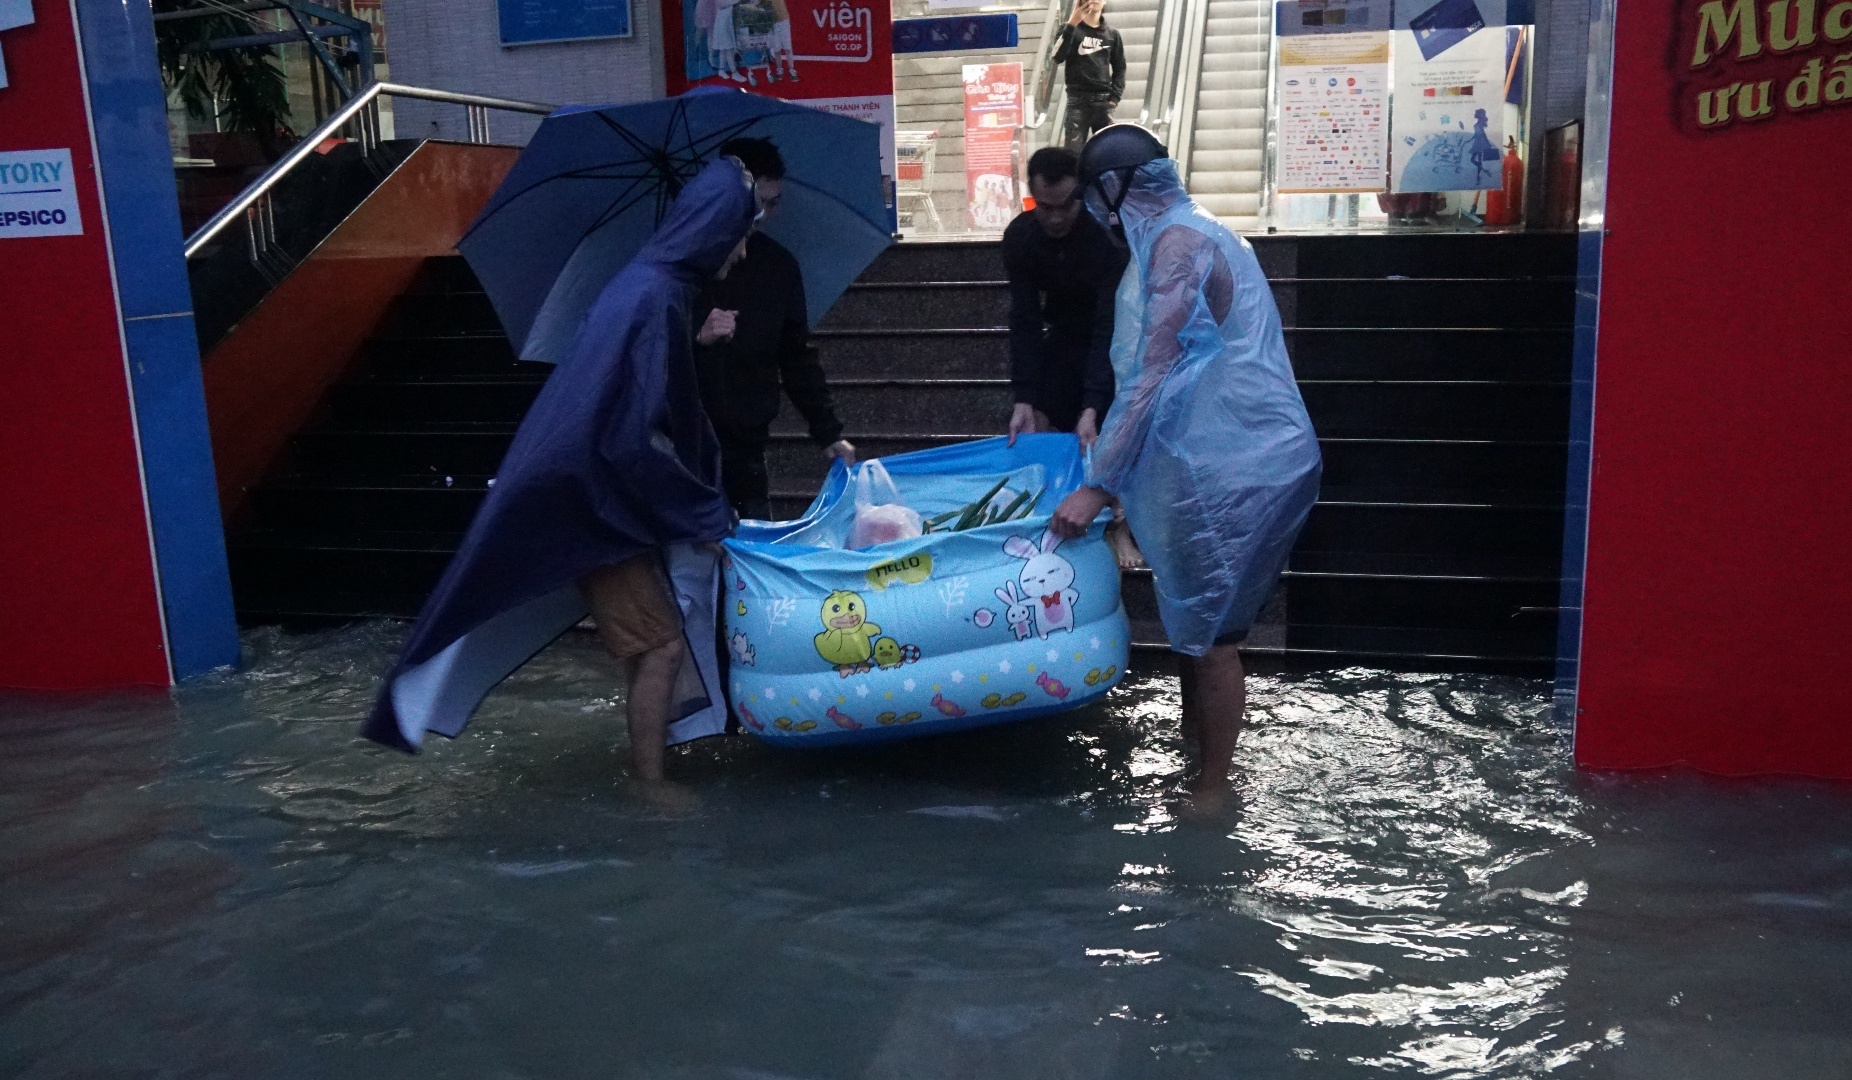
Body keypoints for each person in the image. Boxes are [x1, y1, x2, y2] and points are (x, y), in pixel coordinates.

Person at [364, 158, 760, 788]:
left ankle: (654, 763)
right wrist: (698, 511)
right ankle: (651, 790)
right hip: (588, 498)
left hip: (589, 491)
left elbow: (632, 402)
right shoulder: (655, 298)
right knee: (659, 644)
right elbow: (631, 435)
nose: (742, 253)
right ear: (714, 230)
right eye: (741, 234)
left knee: (654, 638)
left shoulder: (650, 289)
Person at [1050, 126, 1321, 797]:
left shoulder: (1179, 244)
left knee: (1215, 633)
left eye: (1093, 197)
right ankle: (1195, 757)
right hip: (1222, 457)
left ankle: (1213, 789)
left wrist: (1099, 484)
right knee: (1192, 627)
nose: (1093, 213)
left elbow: (1152, 375)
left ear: (1114, 190)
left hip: (1242, 467)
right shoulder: (1182, 233)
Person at [695, 137, 855, 521]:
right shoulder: (683, 266)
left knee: (747, 556)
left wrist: (827, 431)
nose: (763, 216)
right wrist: (698, 338)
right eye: (757, 204)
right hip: (687, 442)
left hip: (748, 439)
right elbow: (649, 355)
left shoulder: (777, 266)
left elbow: (795, 354)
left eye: (773, 204)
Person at [1053, 0, 1126, 152]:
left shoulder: (1112, 34)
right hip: (1077, 101)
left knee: (1109, 153)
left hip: (1104, 101)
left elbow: (1120, 68)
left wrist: (1115, 97)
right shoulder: (1069, 29)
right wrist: (1072, 23)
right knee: (1074, 154)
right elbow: (1057, 57)